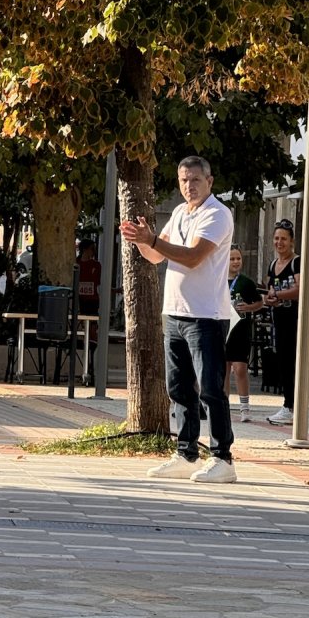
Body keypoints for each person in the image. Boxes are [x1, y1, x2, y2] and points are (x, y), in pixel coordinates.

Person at [120, 155, 237, 483]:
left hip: (206, 316)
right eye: (184, 180)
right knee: (179, 388)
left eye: (196, 180)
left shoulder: (218, 214)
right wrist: (142, 241)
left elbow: (194, 257)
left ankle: (222, 457)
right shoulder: (179, 213)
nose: (190, 186)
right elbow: (157, 255)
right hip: (174, 313)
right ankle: (186, 452)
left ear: (210, 181)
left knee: (210, 390)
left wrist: (153, 240)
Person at [263, 219, 300, 425]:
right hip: (278, 318)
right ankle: (288, 404)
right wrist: (268, 298)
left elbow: (299, 289)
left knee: (292, 362)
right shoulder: (272, 264)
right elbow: (269, 290)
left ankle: (292, 405)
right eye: (276, 238)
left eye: (284, 239)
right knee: (282, 361)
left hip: (295, 320)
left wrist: (278, 293)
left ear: (291, 241)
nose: (280, 242)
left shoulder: (296, 262)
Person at [226, 245, 262, 424]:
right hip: (224, 330)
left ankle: (244, 407)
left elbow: (259, 302)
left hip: (241, 330)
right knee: (222, 369)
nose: (235, 262)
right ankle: (223, 405)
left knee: (240, 368)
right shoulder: (217, 280)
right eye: (232, 259)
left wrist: (249, 308)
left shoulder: (246, 282)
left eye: (238, 258)